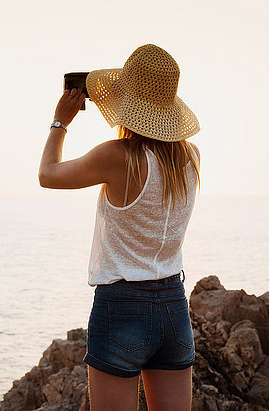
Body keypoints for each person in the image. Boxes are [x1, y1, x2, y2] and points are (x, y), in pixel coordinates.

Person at [38, 44, 201, 411]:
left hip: (122, 306)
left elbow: (47, 174)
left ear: (128, 102)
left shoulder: (117, 157)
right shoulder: (190, 157)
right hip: (174, 305)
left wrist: (60, 121)